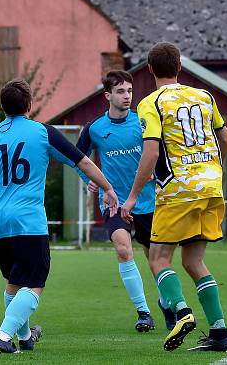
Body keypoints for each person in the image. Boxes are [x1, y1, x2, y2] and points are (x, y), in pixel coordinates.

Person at [0, 79, 119, 354]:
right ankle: (3, 336)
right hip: (28, 220)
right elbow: (81, 160)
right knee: (35, 283)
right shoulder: (42, 132)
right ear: (30, 104)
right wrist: (107, 188)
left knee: (14, 280)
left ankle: (24, 338)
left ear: (2, 107)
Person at [119, 42, 227, 352]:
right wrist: (210, 168)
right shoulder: (204, 96)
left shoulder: (150, 103)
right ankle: (220, 333)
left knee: (158, 258)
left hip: (178, 189)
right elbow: (226, 138)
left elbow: (152, 151)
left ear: (151, 69)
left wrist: (130, 198)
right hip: (211, 186)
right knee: (194, 261)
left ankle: (182, 312)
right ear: (180, 67)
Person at [75, 70, 176, 332]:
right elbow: (77, 158)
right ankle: (143, 312)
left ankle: (166, 302)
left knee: (156, 258)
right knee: (123, 249)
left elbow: (161, 153)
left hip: (148, 202)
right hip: (114, 202)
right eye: (120, 91)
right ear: (108, 95)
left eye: (129, 91)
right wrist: (90, 179)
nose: (127, 96)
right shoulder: (94, 128)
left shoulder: (142, 122)